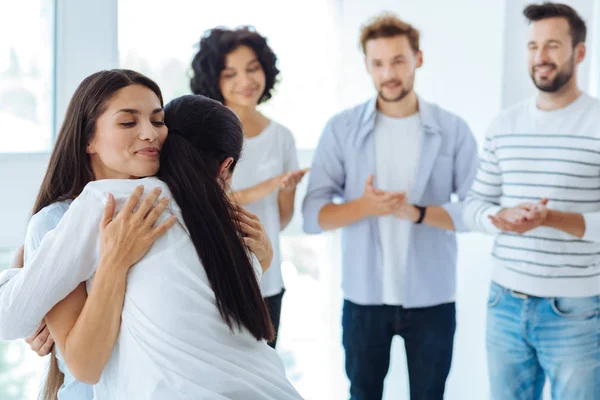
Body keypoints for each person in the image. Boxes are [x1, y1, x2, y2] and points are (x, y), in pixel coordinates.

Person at [0, 70, 298, 399]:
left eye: (158, 121)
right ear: (88, 138)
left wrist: (260, 260)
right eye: (128, 123)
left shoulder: (182, 208)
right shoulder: (70, 216)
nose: (150, 134)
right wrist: (32, 268)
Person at [302, 13, 479, 400]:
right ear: (366, 65)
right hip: (364, 300)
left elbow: (474, 212)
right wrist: (365, 206)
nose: (389, 73)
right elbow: (312, 216)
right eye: (378, 63)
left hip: (432, 299)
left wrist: (416, 212)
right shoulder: (341, 129)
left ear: (418, 58)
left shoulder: (453, 130)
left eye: (398, 60)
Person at [463, 3, 600, 399]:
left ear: (579, 52)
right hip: (504, 302)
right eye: (533, 45)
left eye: (552, 45)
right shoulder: (503, 126)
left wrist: (553, 218)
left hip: (576, 310)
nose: (540, 56)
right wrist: (498, 216)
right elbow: (474, 204)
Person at [191, 26, 307, 348]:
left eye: (253, 69)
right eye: (230, 74)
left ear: (266, 71)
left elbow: (279, 221)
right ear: (214, 79)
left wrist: (286, 189)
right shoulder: (204, 134)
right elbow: (203, 203)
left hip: (269, 282)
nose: (245, 81)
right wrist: (266, 186)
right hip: (216, 278)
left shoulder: (282, 136)